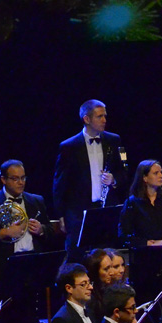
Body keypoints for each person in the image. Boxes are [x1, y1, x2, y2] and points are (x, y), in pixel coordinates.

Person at [53, 99, 129, 255]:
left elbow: (125, 169)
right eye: (100, 116)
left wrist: (114, 179)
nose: (104, 120)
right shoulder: (68, 146)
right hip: (78, 213)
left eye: (105, 116)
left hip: (106, 210)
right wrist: (60, 215)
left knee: (107, 256)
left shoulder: (115, 140)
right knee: (78, 256)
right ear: (87, 119)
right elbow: (60, 184)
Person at [0, 159, 56, 292]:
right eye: (15, 179)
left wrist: (41, 229)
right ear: (3, 179)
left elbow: (51, 231)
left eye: (23, 178)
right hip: (7, 265)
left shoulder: (36, 200)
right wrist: (5, 232)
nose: (21, 182)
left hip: (34, 262)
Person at [118, 160, 162, 248]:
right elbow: (123, 233)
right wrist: (145, 243)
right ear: (145, 178)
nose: (161, 176)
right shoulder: (132, 203)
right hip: (142, 251)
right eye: (156, 173)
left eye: (161, 172)